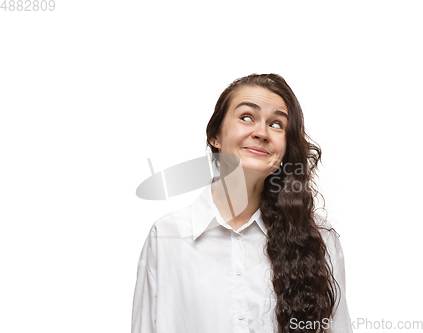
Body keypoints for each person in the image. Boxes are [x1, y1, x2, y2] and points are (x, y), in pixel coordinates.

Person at [132, 73, 352, 332]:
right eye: (247, 117)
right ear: (215, 136)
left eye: (277, 124)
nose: (261, 132)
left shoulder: (318, 241)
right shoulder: (168, 237)